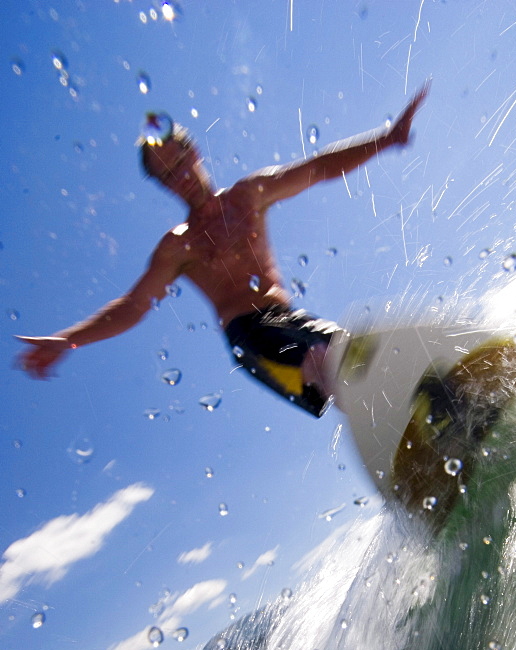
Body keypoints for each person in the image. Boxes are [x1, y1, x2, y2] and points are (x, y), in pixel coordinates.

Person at [16, 84, 430, 417]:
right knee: (325, 362)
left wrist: (387, 138)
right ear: (163, 188)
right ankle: (390, 427)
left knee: (356, 352)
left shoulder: (249, 195)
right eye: (167, 177)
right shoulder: (177, 245)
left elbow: (319, 168)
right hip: (249, 336)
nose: (179, 178)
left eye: (179, 164)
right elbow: (133, 305)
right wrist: (66, 340)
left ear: (194, 154)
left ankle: (435, 402)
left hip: (289, 318)